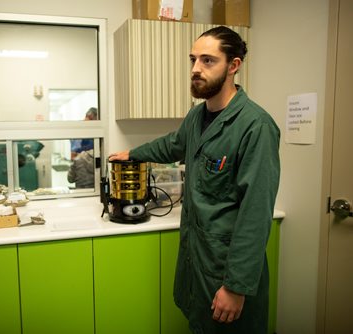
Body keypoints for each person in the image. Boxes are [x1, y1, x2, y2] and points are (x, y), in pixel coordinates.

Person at [109, 26, 280, 334]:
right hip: (196, 261)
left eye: (207, 60)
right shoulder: (197, 117)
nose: (195, 69)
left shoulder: (256, 127)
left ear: (234, 65)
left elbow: (255, 214)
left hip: (226, 270)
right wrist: (133, 153)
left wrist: (236, 287)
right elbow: (173, 144)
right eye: (193, 60)